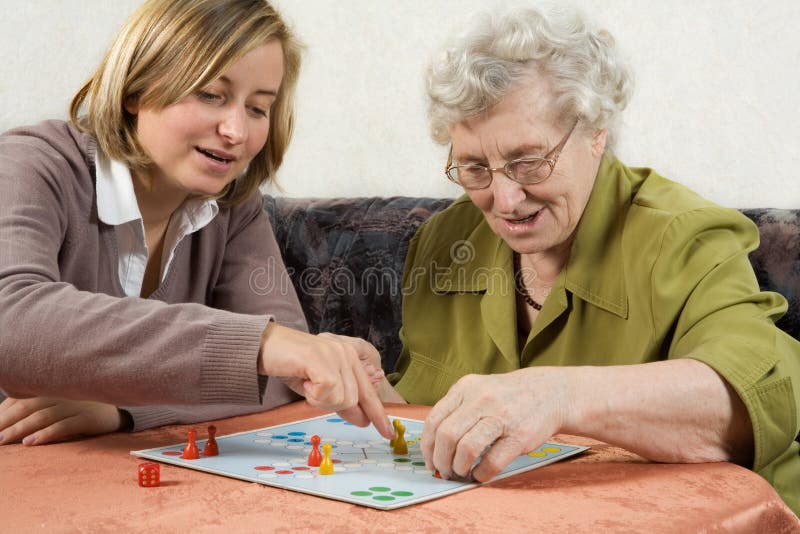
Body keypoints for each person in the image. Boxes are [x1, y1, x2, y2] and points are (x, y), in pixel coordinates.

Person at [375, 5, 800, 513]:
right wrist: (376, 395)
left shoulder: (685, 237)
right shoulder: (443, 243)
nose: (505, 199)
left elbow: (757, 397)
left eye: (528, 161)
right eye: (474, 167)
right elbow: (437, 422)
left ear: (596, 130)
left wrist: (559, 397)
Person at [0, 0, 392, 446]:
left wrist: (123, 408)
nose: (237, 132)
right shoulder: (30, 165)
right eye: (211, 95)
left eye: (258, 108)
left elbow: (287, 378)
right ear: (135, 89)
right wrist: (261, 346)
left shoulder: (235, 205)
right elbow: (10, 319)